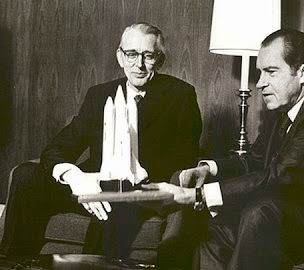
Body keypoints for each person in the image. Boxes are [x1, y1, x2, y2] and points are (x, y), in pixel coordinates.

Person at [145, 29, 304, 269]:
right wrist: (209, 169)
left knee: (260, 211)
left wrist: (196, 195)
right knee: (219, 228)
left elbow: (280, 177)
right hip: (291, 216)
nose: (261, 84)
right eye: (260, 73)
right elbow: (254, 160)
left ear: (303, 72)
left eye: (271, 72)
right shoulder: (283, 110)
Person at [0, 22, 202, 264]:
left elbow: (185, 157)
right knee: (26, 175)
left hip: (139, 191)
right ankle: (15, 262)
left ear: (159, 59)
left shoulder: (180, 95)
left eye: (148, 56)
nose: (138, 64)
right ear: (120, 56)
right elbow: (57, 147)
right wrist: (76, 178)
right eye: (131, 54)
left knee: (115, 197)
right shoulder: (99, 94)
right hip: (90, 186)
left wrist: (129, 179)